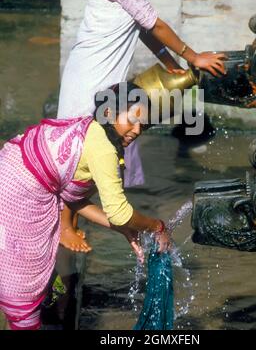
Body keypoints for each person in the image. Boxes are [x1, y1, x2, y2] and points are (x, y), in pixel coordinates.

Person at [57, 0, 227, 252]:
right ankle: (64, 224)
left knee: (106, 145)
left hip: (106, 70)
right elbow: (155, 24)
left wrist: (169, 61)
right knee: (83, 150)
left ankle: (70, 222)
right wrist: (192, 56)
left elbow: (142, 26)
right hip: (92, 70)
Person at [0, 82, 170, 331]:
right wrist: (157, 226)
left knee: (38, 270)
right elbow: (120, 213)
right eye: (132, 120)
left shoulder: (93, 129)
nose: (136, 130)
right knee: (22, 279)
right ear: (110, 112)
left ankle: (49, 308)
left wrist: (122, 229)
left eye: (142, 125)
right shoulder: (103, 148)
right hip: (18, 191)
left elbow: (76, 199)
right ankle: (26, 321)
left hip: (15, 169)